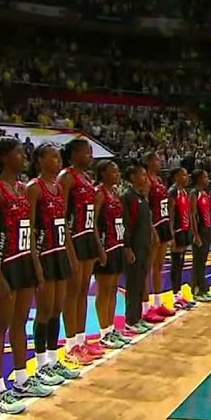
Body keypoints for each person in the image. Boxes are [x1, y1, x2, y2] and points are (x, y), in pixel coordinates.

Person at [0, 137, 55, 415]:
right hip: (5, 264)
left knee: (20, 323)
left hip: (24, 261)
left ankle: (22, 378)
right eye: (18, 153)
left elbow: (30, 230)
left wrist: (36, 264)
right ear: (3, 158)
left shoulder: (23, 189)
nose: (24, 157)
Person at [26, 145, 80, 383]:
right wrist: (35, 261)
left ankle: (53, 359)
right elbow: (28, 227)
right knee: (44, 310)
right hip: (44, 253)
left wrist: (70, 253)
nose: (58, 161)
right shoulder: (34, 188)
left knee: (57, 308)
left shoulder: (58, 188)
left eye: (59, 157)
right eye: (53, 157)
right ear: (39, 160)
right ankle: (40, 364)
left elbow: (63, 224)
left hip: (59, 253)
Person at [58, 138, 105, 367]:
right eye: (86, 152)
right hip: (73, 239)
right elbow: (60, 214)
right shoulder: (66, 177)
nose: (90, 156)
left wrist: (96, 244)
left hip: (87, 237)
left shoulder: (86, 178)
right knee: (72, 292)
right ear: (74, 153)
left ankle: (81, 340)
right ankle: (70, 346)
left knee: (83, 291)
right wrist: (67, 248)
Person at [93, 159, 137, 347]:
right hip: (106, 246)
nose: (117, 174)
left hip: (117, 244)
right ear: (102, 174)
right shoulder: (99, 193)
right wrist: (99, 248)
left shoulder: (114, 193)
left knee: (112, 289)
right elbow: (92, 223)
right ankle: (103, 332)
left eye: (118, 171)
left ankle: (111, 329)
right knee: (104, 290)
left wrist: (125, 245)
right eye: (113, 171)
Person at [121, 163, 155, 334]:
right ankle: (131, 320)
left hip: (144, 245)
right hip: (134, 246)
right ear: (133, 177)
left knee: (141, 282)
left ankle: (138, 317)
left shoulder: (141, 196)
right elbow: (126, 223)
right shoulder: (127, 197)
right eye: (142, 174)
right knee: (133, 284)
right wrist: (127, 246)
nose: (145, 178)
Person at [144, 152, 176, 321]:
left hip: (163, 223)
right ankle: (146, 307)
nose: (160, 161)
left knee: (159, 266)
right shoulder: (147, 181)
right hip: (154, 225)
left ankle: (157, 302)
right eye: (156, 159)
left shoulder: (159, 180)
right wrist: (151, 229)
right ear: (148, 162)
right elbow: (145, 206)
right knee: (148, 267)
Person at [166, 167, 197, 308]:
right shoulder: (172, 192)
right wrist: (171, 234)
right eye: (183, 175)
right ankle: (175, 296)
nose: (186, 177)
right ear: (176, 177)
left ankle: (179, 294)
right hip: (177, 231)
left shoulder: (184, 192)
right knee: (176, 264)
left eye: (186, 175)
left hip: (185, 230)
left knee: (181, 263)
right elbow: (171, 214)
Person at [190, 169, 211, 302]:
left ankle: (202, 288)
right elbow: (193, 215)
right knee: (198, 262)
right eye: (205, 177)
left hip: (206, 230)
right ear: (199, 179)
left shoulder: (205, 194)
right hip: (199, 232)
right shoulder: (194, 193)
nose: (207, 179)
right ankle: (197, 290)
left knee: (203, 261)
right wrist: (195, 234)